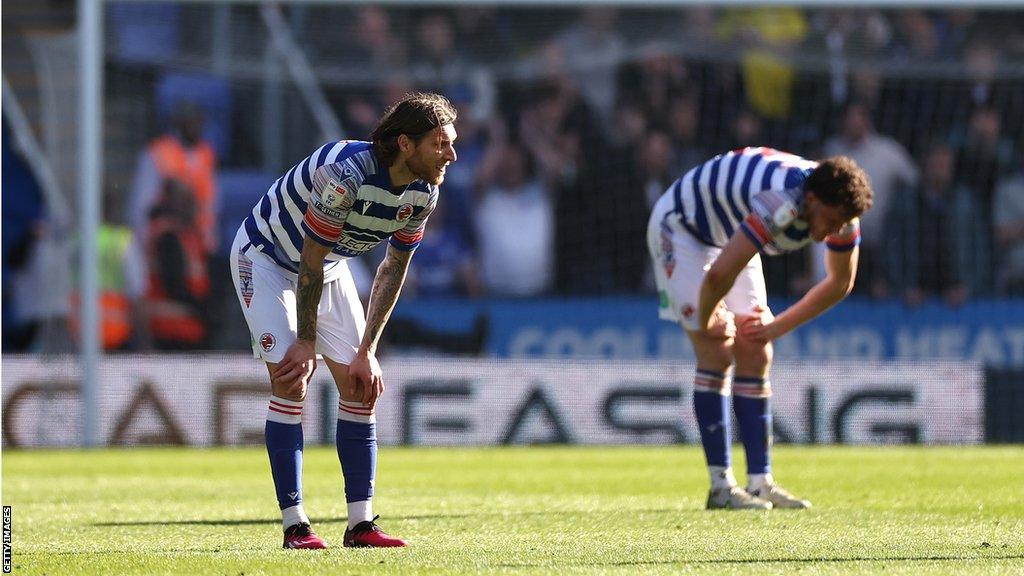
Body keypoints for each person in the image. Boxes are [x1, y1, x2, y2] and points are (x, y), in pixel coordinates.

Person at [229, 92, 457, 549]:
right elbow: (308, 257)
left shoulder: (423, 192)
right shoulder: (345, 174)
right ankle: (296, 526)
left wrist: (366, 351)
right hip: (268, 259)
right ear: (406, 144)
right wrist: (305, 341)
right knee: (291, 379)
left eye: (451, 143)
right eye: (440, 144)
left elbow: (393, 267)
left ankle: (361, 524)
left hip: (328, 267)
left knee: (359, 385)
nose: (451, 155)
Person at [647, 147, 872, 510]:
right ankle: (720, 486)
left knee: (755, 347)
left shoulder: (843, 208)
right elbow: (719, 274)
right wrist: (705, 320)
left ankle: (760, 483)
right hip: (681, 228)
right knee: (717, 346)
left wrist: (774, 329)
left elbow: (840, 283)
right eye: (829, 220)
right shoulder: (780, 203)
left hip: (727, 235)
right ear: (811, 199)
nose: (832, 231)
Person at [146, 179, 210, 350]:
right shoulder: (169, 237)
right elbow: (173, 282)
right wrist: (203, 309)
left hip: (188, 326)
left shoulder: (188, 235)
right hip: (173, 329)